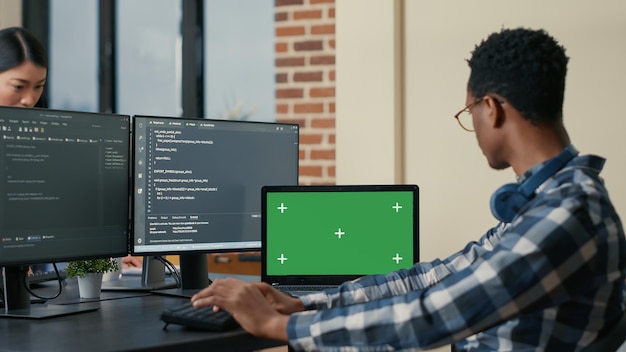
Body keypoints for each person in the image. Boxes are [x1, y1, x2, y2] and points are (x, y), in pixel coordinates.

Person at [190, 27, 626, 350]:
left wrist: (276, 327)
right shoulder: (549, 203)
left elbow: (436, 314)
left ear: (490, 109)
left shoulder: (565, 214)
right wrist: (304, 306)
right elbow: (440, 276)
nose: (471, 126)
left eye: (468, 110)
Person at [0, 26, 140, 270]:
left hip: (29, 289)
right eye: (18, 86)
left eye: (38, 86)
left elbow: (57, 225)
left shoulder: (42, 141)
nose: (29, 99)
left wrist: (105, 257)